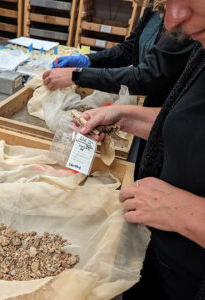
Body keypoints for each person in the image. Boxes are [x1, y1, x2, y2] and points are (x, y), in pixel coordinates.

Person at [78, 0, 205, 299]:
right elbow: (190, 130)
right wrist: (123, 117)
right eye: (166, 4)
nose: (172, 22)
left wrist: (189, 213)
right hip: (161, 257)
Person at [42, 0, 194, 108]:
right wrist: (88, 60)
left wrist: (77, 75)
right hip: (143, 103)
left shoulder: (184, 17)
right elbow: (129, 48)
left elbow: (147, 76)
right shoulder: (153, 5)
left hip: (162, 111)